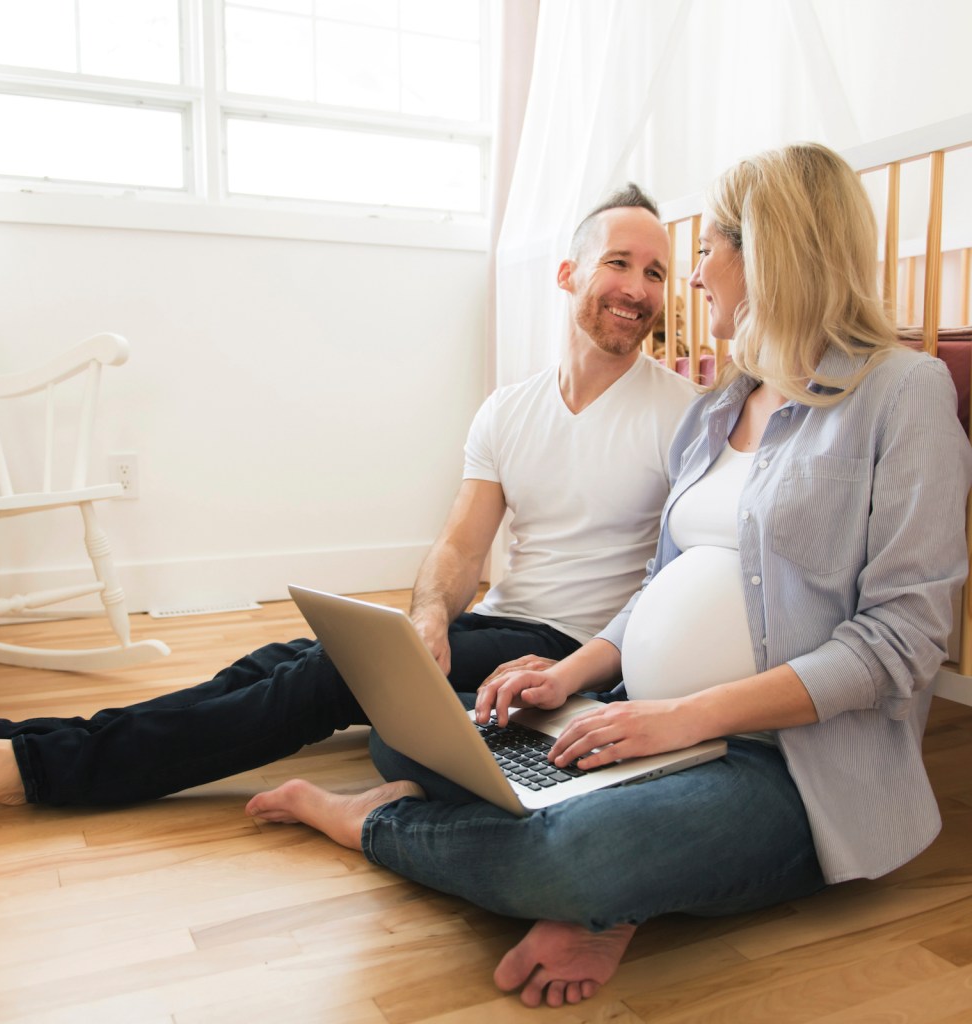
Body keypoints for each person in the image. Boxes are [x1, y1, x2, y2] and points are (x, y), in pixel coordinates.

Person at [245, 142, 972, 1009]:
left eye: (708, 251)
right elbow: (662, 588)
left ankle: (378, 823)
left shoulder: (904, 392)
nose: (695, 277)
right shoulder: (717, 406)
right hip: (639, 722)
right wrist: (571, 673)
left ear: (768, 250)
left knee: (569, 857)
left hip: (780, 763)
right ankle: (610, 882)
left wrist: (681, 718)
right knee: (407, 733)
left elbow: (902, 641)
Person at [0, 184, 697, 808]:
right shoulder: (509, 409)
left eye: (657, 273)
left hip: (565, 648)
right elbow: (461, 546)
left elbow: (680, 583)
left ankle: (30, 771)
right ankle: (10, 738)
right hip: (500, 620)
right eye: (619, 264)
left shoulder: (684, 416)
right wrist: (431, 615)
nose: (637, 289)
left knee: (324, 677)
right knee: (275, 659)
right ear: (569, 274)